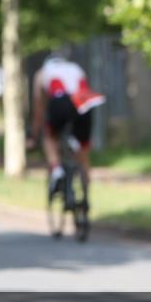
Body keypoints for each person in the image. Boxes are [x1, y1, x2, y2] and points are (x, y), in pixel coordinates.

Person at [28, 49, 105, 199]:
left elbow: (39, 108)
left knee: (50, 136)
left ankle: (57, 170)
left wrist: (34, 133)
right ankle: (86, 194)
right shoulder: (76, 68)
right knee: (82, 148)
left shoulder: (42, 73)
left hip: (60, 100)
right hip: (85, 101)